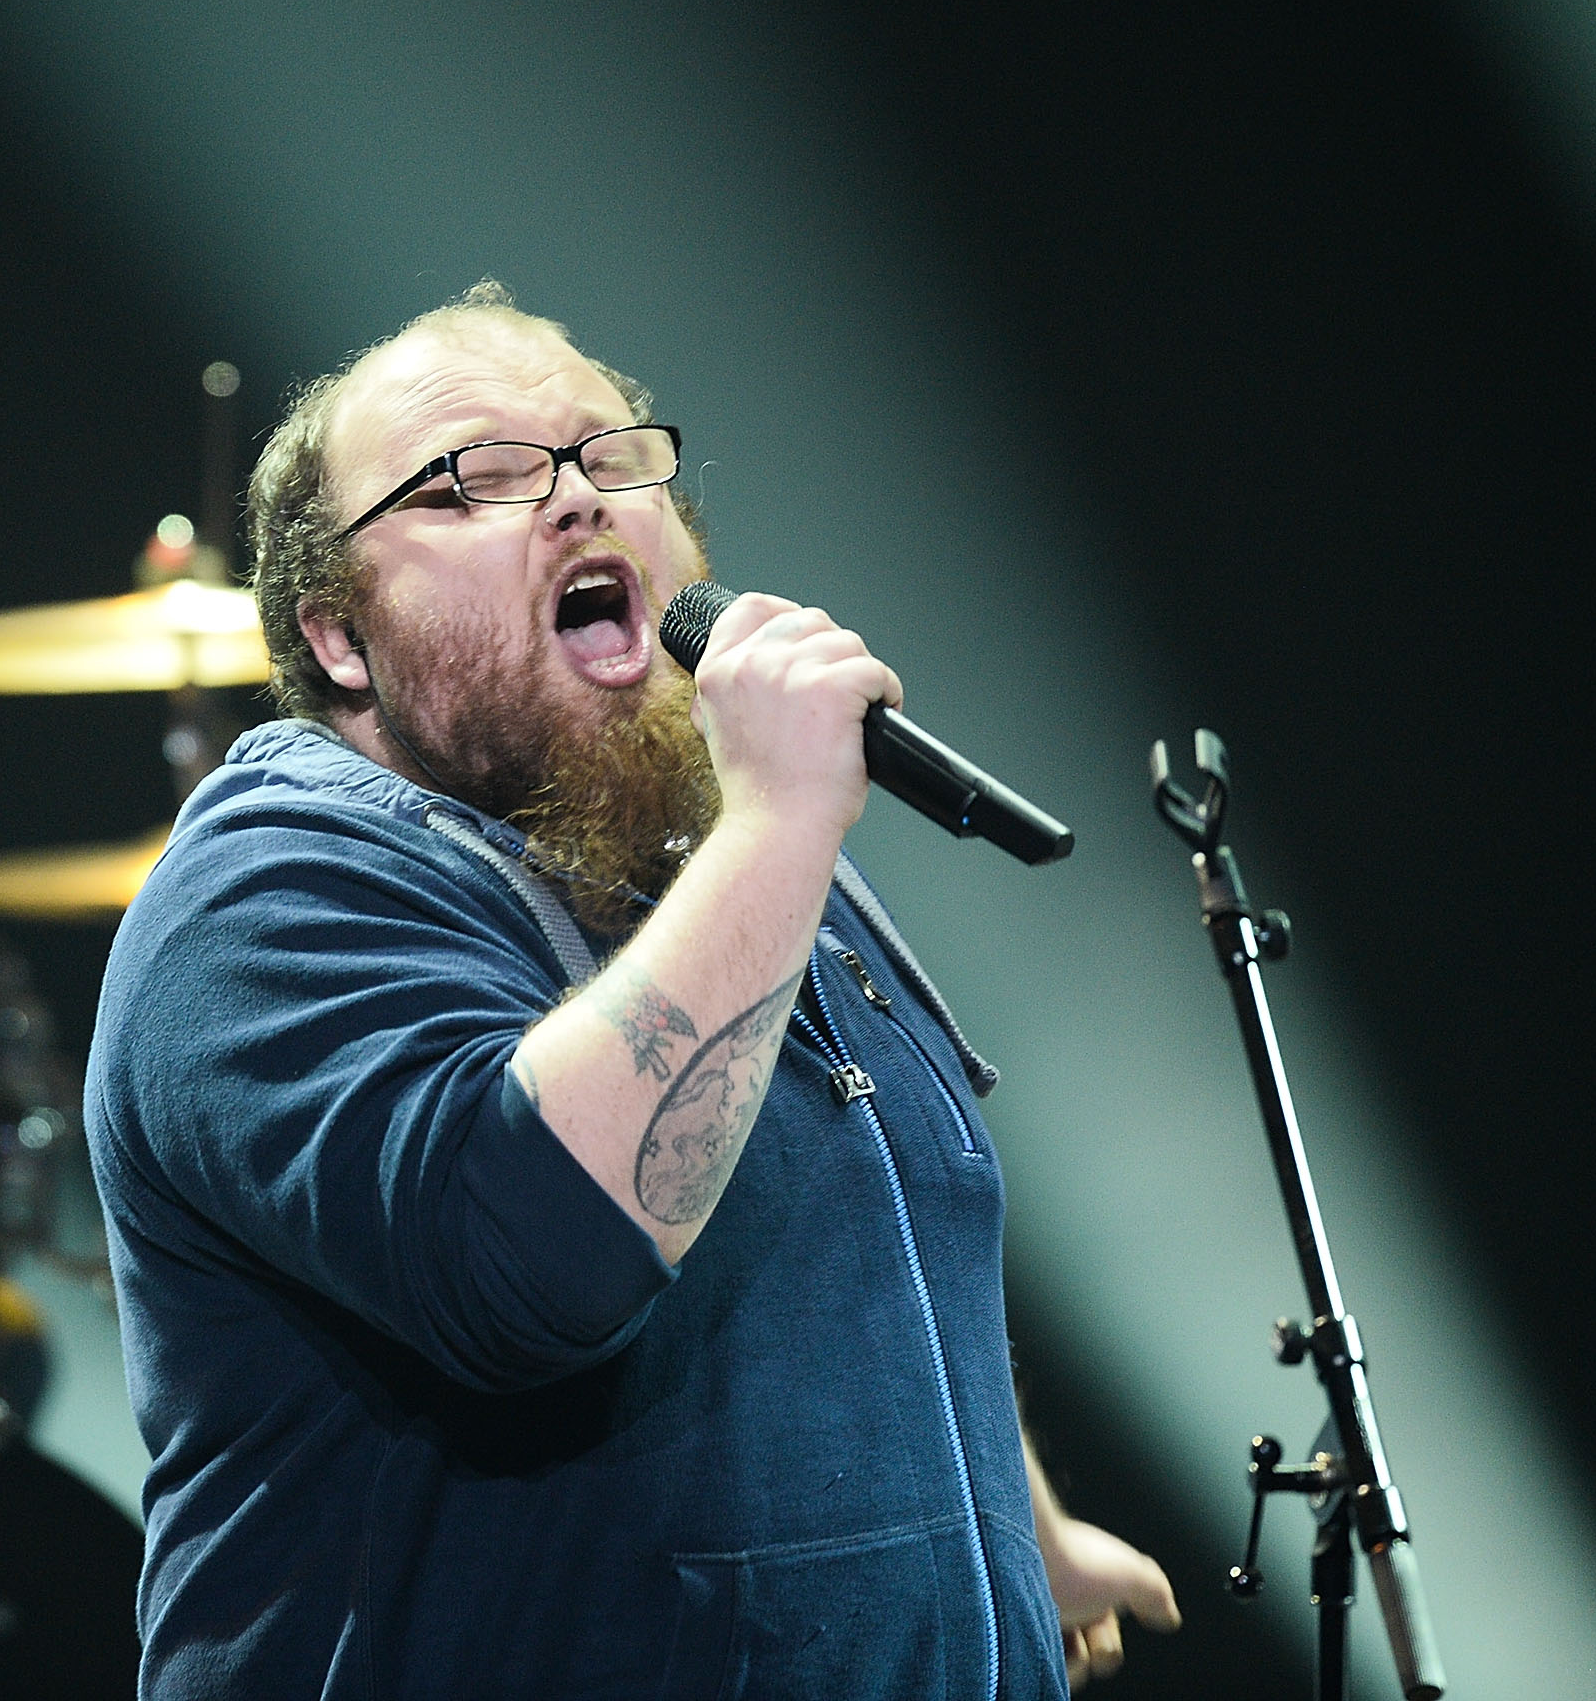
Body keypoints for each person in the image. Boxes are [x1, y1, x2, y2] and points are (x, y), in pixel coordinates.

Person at [86, 284, 1179, 1697]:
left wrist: (1014, 1524)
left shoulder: (708, 852)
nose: (572, 503)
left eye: (610, 460)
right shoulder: (267, 896)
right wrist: (782, 820)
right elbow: (536, 1262)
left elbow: (884, 1214)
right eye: (470, 484)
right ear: (342, 642)